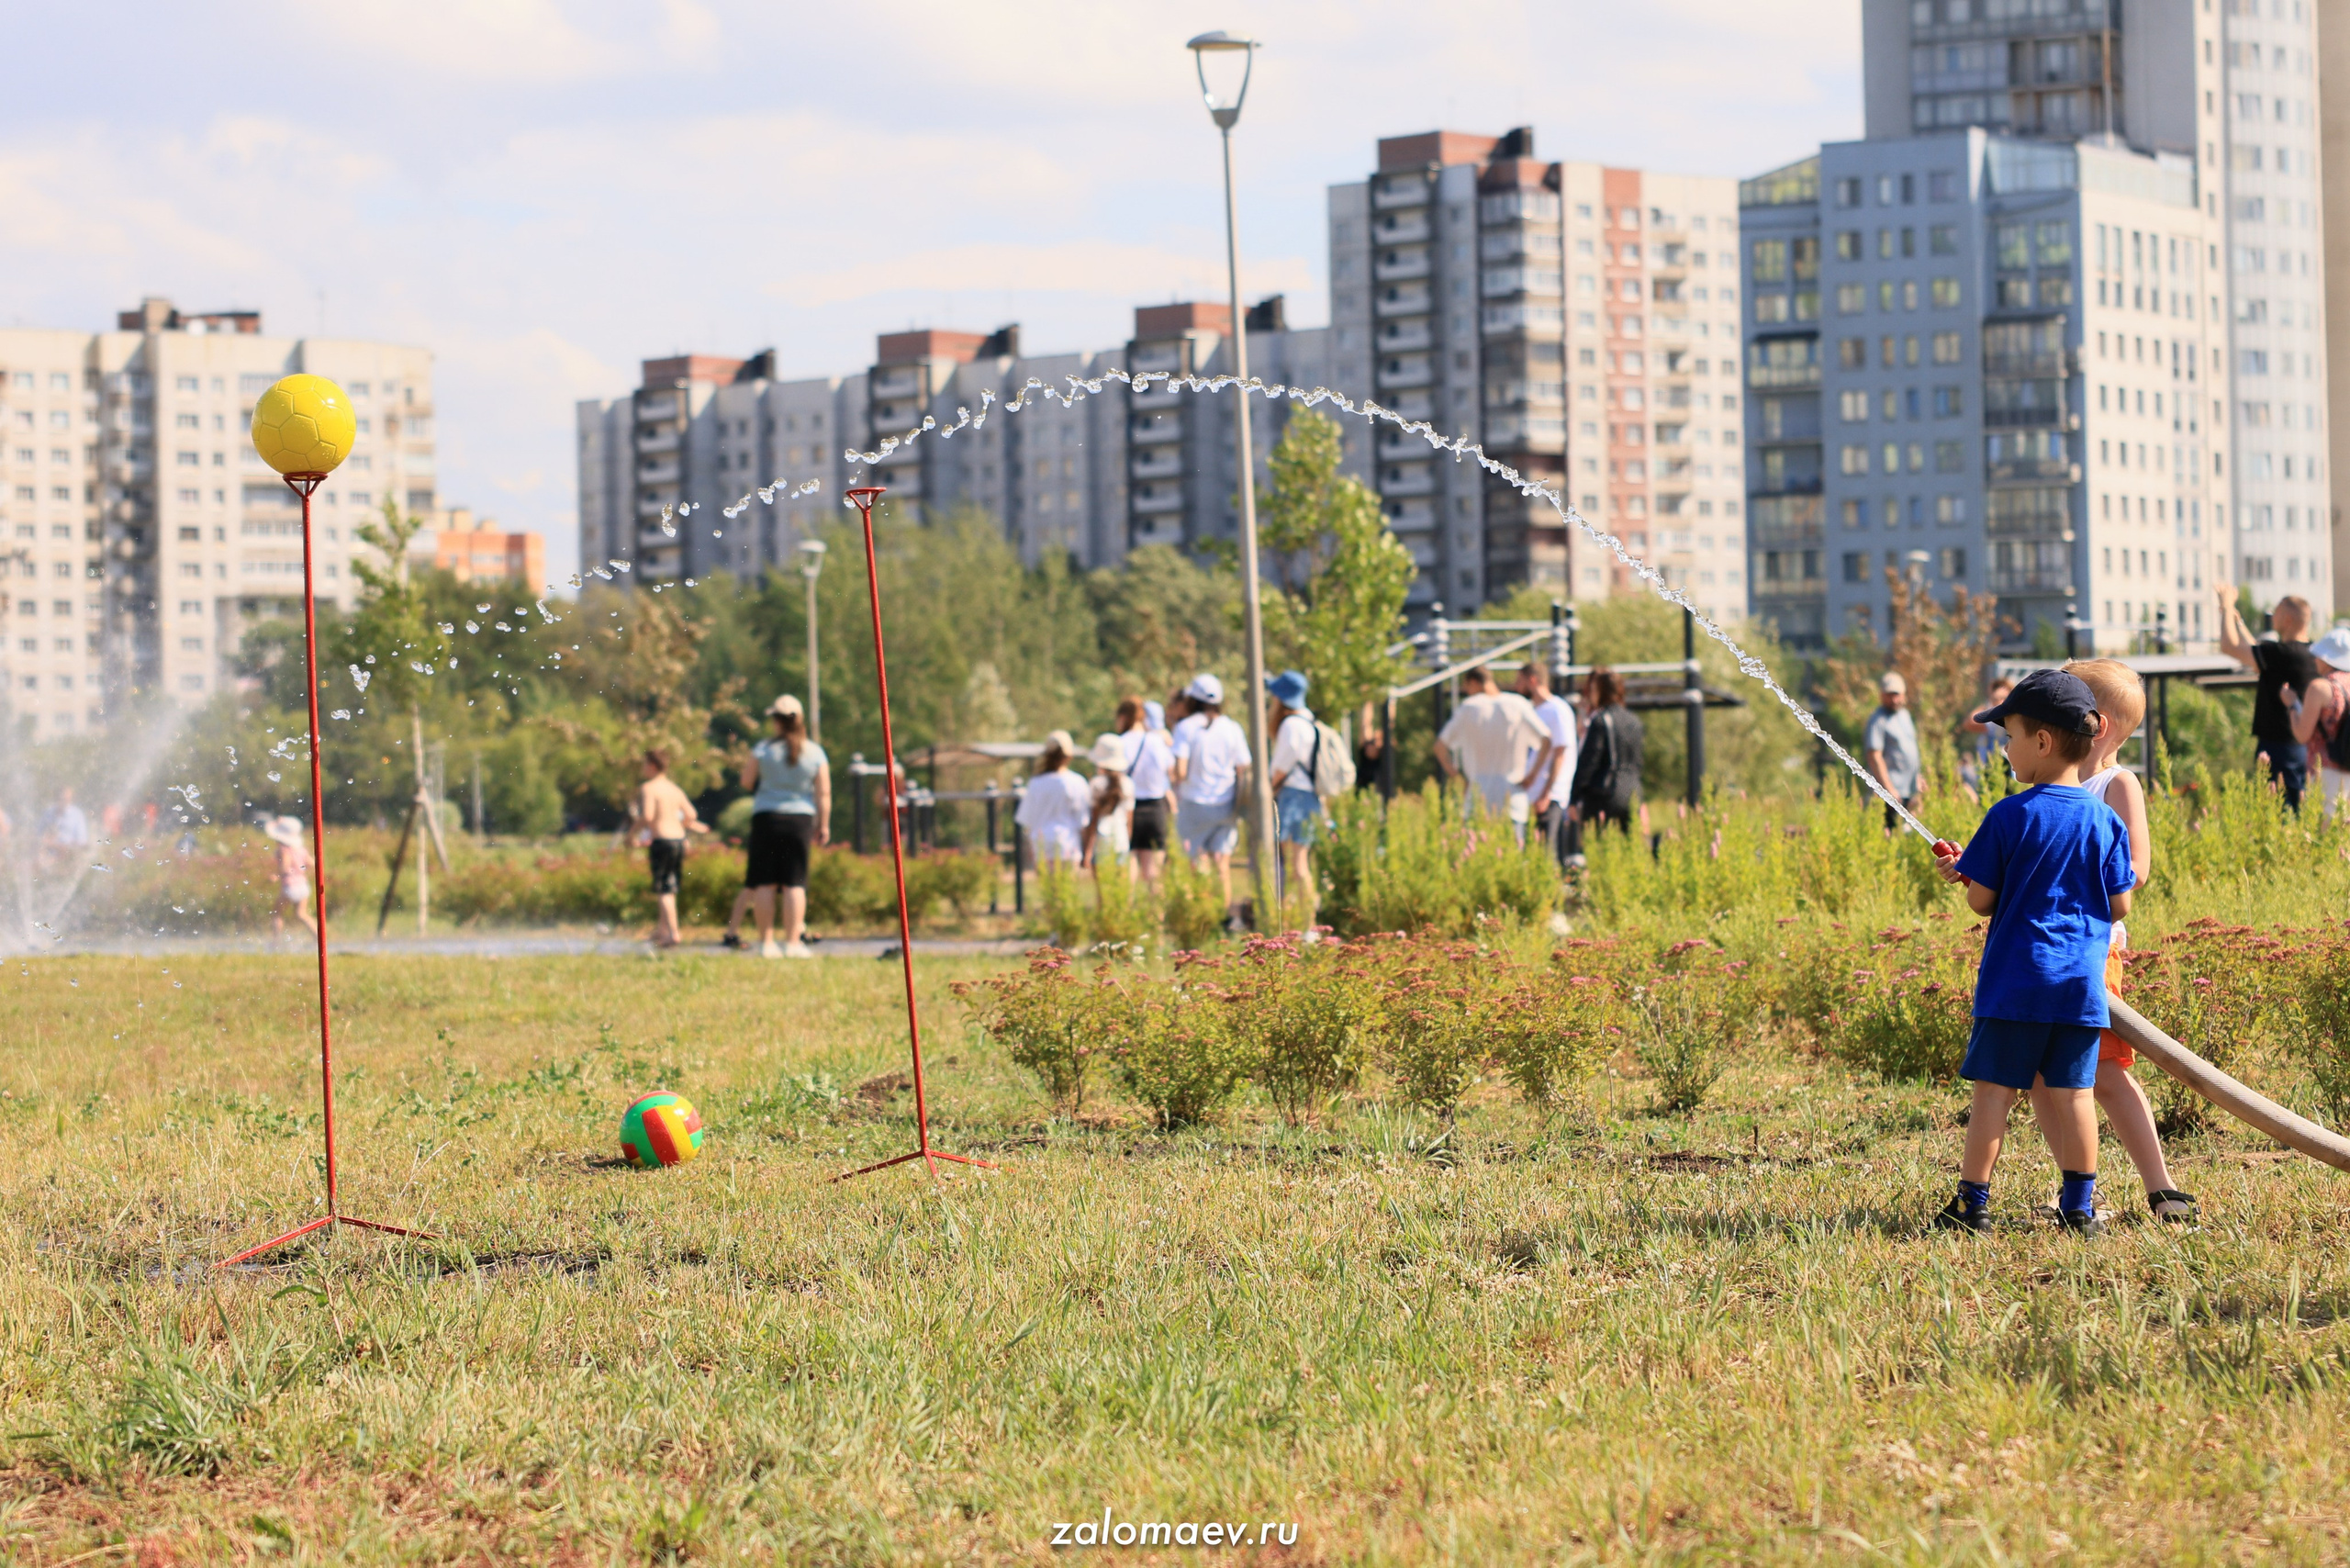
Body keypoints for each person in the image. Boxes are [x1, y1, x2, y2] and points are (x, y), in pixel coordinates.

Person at [1930, 668, 2135, 1236]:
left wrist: (1965, 873)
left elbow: (1981, 901)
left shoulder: (2007, 814)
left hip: (2015, 982)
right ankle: (2080, 1209)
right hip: (2078, 987)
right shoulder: (2103, 819)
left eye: (2010, 735)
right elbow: (2120, 905)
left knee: (1994, 1092)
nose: (2005, 748)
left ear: (2041, 742)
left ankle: (1973, 1206)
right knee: (2075, 1095)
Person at [2064, 659, 2197, 1224]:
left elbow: (2136, 869)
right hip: (2053, 946)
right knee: (2062, 1077)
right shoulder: (2058, 785)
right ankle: (2072, 1191)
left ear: (2102, 725)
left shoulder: (2115, 783)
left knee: (2106, 1071)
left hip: (2095, 946)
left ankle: (2161, 1187)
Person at [735, 694, 828, 959]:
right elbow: (823, 793)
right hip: (800, 819)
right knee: (794, 883)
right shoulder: (815, 752)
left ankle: (766, 943)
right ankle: (793, 943)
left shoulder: (763, 749)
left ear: (776, 720)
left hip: (766, 818)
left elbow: (746, 780)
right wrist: (824, 824)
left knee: (765, 882)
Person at [2217, 586, 2319, 811]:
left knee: (2280, 811)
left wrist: (2227, 605)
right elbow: (2259, 657)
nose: (2273, 614)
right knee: (2298, 807)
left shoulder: (2282, 653)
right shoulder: (2309, 652)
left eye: (2279, 611)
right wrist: (2239, 623)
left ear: (2289, 619)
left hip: (2279, 748)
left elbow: (2228, 646)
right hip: (2300, 747)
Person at [1169, 674, 1252, 928]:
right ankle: (1225, 916)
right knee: (1222, 862)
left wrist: (1170, 774)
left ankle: (1202, 916)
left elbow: (1180, 772)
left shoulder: (1185, 728)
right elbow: (1244, 767)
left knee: (1197, 860)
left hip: (1195, 803)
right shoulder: (1232, 728)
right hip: (1226, 804)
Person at [1432, 666, 1548, 835]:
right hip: (1512, 798)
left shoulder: (1469, 708)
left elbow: (1439, 747)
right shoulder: (1518, 704)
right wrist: (1532, 775)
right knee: (1513, 855)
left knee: (1477, 856)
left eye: (1467, 688)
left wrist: (1458, 778)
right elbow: (1546, 739)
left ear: (1473, 682)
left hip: (1478, 798)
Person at [629, 748, 710, 950]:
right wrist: (678, 825)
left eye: (644, 764)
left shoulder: (649, 788)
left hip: (662, 841)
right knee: (669, 885)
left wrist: (631, 835)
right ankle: (661, 930)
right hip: (678, 840)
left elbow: (647, 816)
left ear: (653, 765)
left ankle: (673, 933)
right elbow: (691, 814)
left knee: (664, 888)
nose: (642, 768)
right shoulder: (674, 789)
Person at [1263, 669, 1325, 922]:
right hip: (1310, 797)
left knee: (1295, 865)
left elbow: (1279, 770)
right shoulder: (1311, 722)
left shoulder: (1290, 725)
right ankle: (1305, 922)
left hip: (1292, 798)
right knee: (1302, 864)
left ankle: (1300, 923)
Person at [1566, 666, 1643, 840]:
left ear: (1600, 691)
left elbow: (1589, 762)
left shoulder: (1601, 720)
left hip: (1604, 795)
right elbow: (1638, 763)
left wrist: (1574, 798)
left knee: (1600, 850)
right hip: (1632, 793)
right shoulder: (1634, 721)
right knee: (1630, 850)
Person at [2284, 625, 2350, 819]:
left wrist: (2290, 706)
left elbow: (2302, 734)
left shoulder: (2320, 687)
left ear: (2326, 658)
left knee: (2324, 839)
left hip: (2326, 772)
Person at [1516, 660, 1578, 865]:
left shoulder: (1557, 710)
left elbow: (1560, 752)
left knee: (1547, 854)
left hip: (1548, 794)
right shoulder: (1536, 710)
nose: (1517, 687)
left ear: (1533, 680)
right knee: (1534, 854)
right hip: (1534, 792)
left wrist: (1546, 793)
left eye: (1521, 681)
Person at [1115, 696, 1174, 889]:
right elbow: (1170, 772)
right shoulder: (1157, 742)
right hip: (1155, 807)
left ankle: (1129, 914)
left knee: (1128, 867)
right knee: (1154, 874)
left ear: (1123, 717)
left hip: (1128, 808)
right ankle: (1157, 918)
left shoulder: (1120, 742)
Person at [1016, 730, 1091, 868]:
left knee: (1049, 890)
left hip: (1042, 846)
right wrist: (1087, 850)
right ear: (1069, 756)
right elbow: (1083, 821)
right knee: (1066, 889)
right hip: (1068, 846)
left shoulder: (1035, 783)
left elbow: (1027, 821)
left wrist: (1031, 849)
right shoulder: (1077, 782)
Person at [1863, 671, 1922, 833]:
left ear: (1904, 695)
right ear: (1882, 695)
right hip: (1890, 793)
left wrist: (1917, 778)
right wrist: (1888, 789)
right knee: (1889, 834)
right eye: (1890, 695)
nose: (1894, 699)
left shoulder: (1905, 716)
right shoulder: (1878, 720)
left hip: (1908, 790)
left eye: (1897, 695)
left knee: (1907, 834)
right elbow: (1874, 756)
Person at [1081, 732, 1136, 885]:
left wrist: (1087, 850)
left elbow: (1093, 821)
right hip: (1121, 841)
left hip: (1101, 842)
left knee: (1103, 893)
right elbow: (1129, 821)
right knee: (1119, 889)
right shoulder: (1128, 784)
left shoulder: (1096, 784)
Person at [263, 815, 316, 942]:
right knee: (302, 914)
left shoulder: (284, 850)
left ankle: (276, 942)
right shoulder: (300, 849)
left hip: (290, 886)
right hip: (303, 885)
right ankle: (318, 938)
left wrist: (276, 876)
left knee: (277, 913)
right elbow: (311, 863)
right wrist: (300, 871)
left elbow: (285, 867)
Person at [1961, 676, 2013, 794]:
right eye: (1996, 699)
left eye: (2003, 698)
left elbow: (1971, 722)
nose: (2000, 703)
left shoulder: (2001, 721)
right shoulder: (1994, 719)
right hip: (1988, 772)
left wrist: (1989, 703)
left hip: (2001, 771)